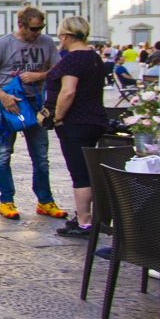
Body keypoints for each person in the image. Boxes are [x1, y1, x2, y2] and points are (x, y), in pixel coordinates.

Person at [0, 6, 67, 222]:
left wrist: (39, 76)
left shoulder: (46, 43)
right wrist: (2, 96)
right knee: (3, 154)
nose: (38, 33)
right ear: (21, 25)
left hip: (35, 105)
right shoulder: (3, 44)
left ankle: (45, 200)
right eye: (34, 29)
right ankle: (6, 200)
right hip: (10, 105)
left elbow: (59, 69)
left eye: (41, 28)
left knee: (41, 156)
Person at [42, 17, 109, 239]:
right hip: (95, 120)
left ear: (66, 36)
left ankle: (84, 222)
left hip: (76, 122)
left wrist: (58, 116)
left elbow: (68, 91)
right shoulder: (94, 57)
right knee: (87, 169)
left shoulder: (73, 59)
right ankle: (84, 215)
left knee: (79, 172)